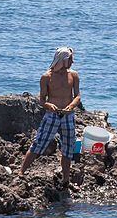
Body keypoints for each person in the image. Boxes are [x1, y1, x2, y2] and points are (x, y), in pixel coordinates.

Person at [19, 47, 81, 187]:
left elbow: (77, 96)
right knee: (38, 143)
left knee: (68, 148)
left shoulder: (74, 75)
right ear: (62, 60)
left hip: (68, 115)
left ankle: (66, 181)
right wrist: (48, 105)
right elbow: (42, 100)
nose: (72, 61)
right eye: (69, 59)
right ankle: (21, 173)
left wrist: (70, 107)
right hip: (51, 116)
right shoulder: (46, 77)